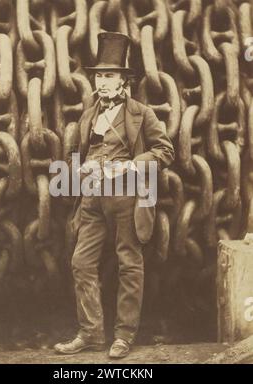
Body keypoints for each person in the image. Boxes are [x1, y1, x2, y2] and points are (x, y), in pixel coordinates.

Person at [54, 32, 175, 358]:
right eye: (98, 75)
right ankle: (91, 334)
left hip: (128, 199)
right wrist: (78, 171)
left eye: (109, 75)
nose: (102, 82)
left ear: (124, 81)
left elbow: (165, 151)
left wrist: (131, 167)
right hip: (92, 200)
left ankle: (123, 336)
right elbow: (75, 154)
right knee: (81, 263)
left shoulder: (143, 114)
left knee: (129, 264)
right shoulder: (88, 115)